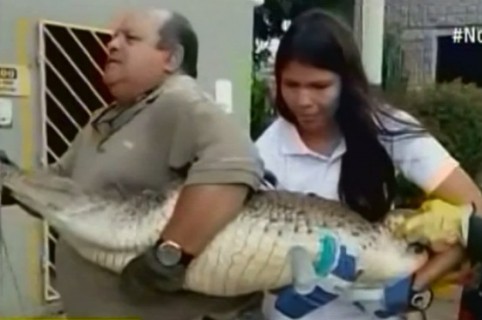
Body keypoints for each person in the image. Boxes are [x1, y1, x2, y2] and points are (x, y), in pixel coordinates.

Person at [2, 8, 266, 320]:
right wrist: (13, 181)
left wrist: (171, 255)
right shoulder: (104, 120)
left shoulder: (181, 102)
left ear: (171, 58)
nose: (112, 44)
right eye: (114, 37)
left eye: (130, 38)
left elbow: (235, 164)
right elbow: (61, 184)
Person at [254, 8, 482, 320]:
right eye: (291, 85)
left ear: (346, 82)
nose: (304, 100)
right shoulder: (265, 151)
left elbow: (476, 209)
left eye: (319, 86)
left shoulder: (389, 129)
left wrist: (412, 288)